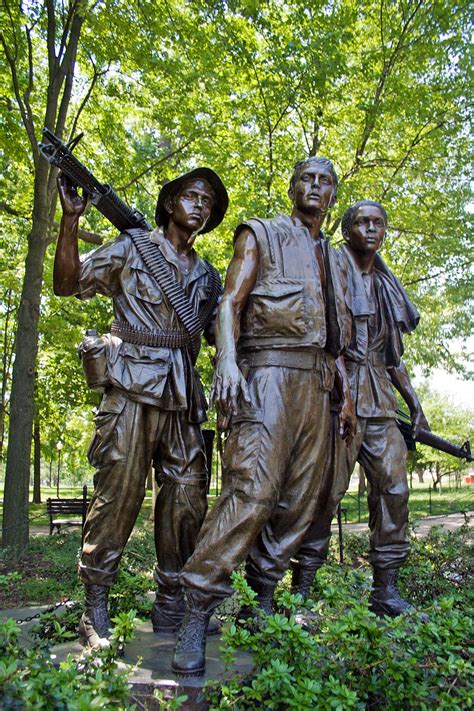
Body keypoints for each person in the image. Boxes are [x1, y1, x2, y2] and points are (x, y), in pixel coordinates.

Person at [171, 156, 356, 677]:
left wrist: (343, 393)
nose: (315, 187)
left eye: (326, 181)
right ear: (292, 186)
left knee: (299, 501)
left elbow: (338, 339)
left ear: (334, 195)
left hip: (318, 388)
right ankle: (196, 609)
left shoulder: (335, 259)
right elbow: (228, 302)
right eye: (307, 178)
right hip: (268, 375)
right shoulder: (262, 233)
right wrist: (227, 360)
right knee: (250, 491)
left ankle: (262, 605)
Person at [53, 167, 228, 646]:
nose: (200, 205)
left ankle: (172, 602)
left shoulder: (208, 277)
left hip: (183, 395)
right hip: (131, 384)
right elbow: (67, 283)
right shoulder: (133, 248)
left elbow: (219, 335)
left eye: (208, 202)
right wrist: (71, 222)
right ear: (169, 203)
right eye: (191, 196)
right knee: (119, 495)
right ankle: (95, 606)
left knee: (186, 499)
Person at [291, 200, 429, 617]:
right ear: (348, 229)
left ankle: (385, 589)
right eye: (363, 222)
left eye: (378, 223)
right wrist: (345, 396)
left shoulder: (385, 284)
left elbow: (391, 356)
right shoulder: (331, 266)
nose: (371, 229)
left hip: (380, 399)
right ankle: (301, 591)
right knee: (325, 493)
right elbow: (327, 336)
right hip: (337, 394)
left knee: (395, 488)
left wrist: (414, 402)